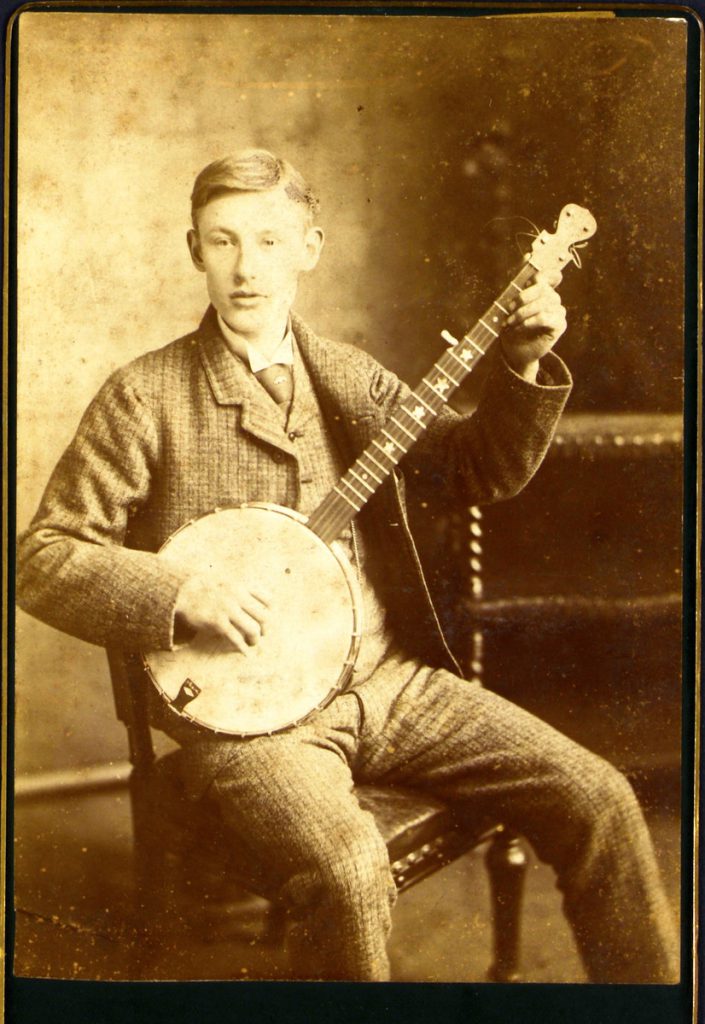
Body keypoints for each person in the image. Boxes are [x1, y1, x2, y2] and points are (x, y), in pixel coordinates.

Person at [16, 148, 677, 983]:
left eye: (267, 240)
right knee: (347, 871)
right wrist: (182, 591)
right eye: (222, 241)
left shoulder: (347, 377)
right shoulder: (144, 397)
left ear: (309, 247)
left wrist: (519, 364)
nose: (246, 267)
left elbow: (472, 470)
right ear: (194, 251)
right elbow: (44, 557)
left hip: (390, 683)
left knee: (598, 797)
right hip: (253, 726)